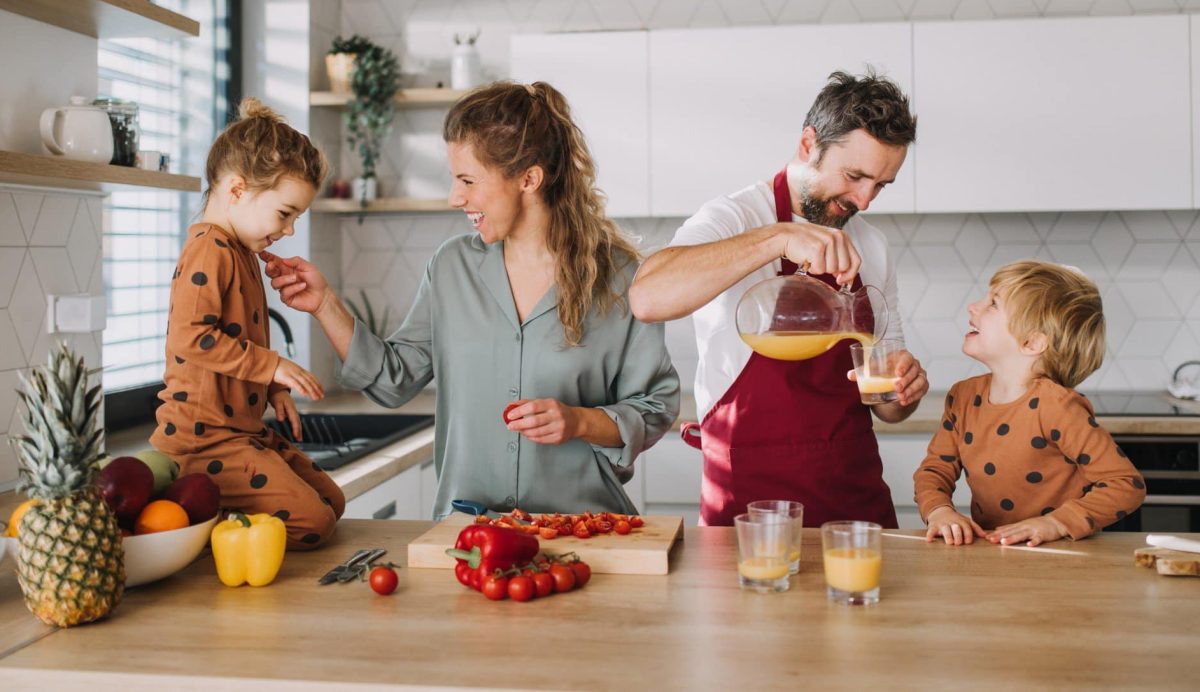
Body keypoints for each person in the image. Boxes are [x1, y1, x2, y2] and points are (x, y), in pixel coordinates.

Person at [262, 81, 680, 518]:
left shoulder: (618, 278)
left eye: (467, 180)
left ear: (528, 178)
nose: (454, 197)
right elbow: (393, 379)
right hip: (471, 534)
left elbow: (655, 405)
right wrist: (324, 304)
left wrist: (579, 422)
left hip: (583, 527)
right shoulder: (451, 268)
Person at [629, 70, 928, 527]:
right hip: (748, 508)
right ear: (809, 145)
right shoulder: (734, 217)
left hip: (854, 504)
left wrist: (901, 391)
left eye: (880, 185)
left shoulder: (872, 246)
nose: (864, 201)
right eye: (854, 176)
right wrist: (778, 238)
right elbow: (647, 297)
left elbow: (886, 405)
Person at [151, 99, 344, 549]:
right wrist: (272, 366)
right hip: (204, 442)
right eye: (285, 213)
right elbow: (191, 336)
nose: (290, 229)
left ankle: (206, 518)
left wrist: (274, 391)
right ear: (237, 190)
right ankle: (198, 524)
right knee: (313, 523)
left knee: (331, 502)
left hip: (240, 432)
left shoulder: (241, 251)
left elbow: (237, 338)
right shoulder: (207, 249)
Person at [916, 260, 1145, 546]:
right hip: (994, 555)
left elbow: (1125, 484)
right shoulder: (962, 398)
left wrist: (1056, 523)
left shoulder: (1057, 407)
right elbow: (933, 472)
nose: (973, 307)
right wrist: (939, 511)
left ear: (1032, 343)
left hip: (1060, 557)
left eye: (993, 304)